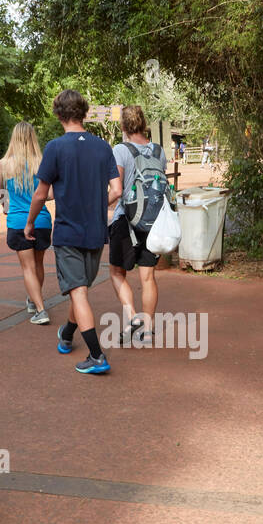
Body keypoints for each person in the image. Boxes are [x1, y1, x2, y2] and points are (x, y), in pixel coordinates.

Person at [26, 89, 121, 374]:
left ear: (58, 115)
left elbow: (41, 194)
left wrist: (29, 223)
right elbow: (116, 189)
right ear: (84, 113)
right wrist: (96, 206)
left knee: (78, 291)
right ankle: (67, 335)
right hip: (95, 231)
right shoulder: (103, 146)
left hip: (68, 231)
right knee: (79, 288)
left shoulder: (55, 147)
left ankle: (96, 356)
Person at [108, 105, 166, 345]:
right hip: (153, 221)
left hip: (127, 220)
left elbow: (117, 189)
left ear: (123, 127)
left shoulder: (120, 150)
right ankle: (149, 329)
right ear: (144, 124)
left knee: (117, 272)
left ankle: (132, 316)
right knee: (148, 277)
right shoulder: (159, 151)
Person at [0, 121, 53, 325]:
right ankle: (33, 299)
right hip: (43, 220)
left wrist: (5, 206)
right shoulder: (42, 162)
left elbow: (0, 193)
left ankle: (40, 309)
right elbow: (50, 194)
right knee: (38, 264)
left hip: (18, 220)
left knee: (28, 268)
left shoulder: (4, 164)